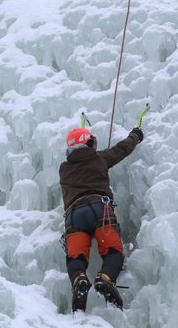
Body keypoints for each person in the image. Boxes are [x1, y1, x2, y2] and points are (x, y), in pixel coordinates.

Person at [59, 123, 144, 312]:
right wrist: (135, 135)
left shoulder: (64, 168)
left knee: (76, 258)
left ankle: (80, 280)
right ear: (89, 143)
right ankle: (105, 278)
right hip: (100, 209)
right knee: (113, 251)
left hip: (74, 217)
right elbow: (122, 150)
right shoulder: (99, 158)